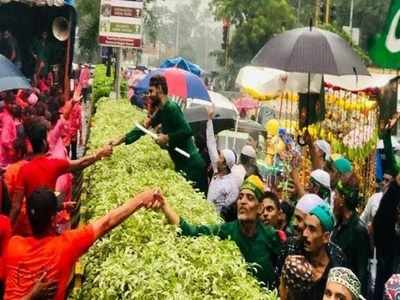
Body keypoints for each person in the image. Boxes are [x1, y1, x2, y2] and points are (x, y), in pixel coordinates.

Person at [3, 187, 161, 299]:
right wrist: (141, 199)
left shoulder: (12, 245)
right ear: (53, 219)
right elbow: (106, 222)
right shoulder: (65, 245)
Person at [151, 175, 281, 287]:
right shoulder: (227, 230)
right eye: (240, 197)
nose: (243, 202)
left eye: (250, 198)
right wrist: (165, 205)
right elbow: (190, 231)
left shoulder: (272, 237)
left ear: (259, 208)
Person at [9, 118, 113, 233]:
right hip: (48, 226)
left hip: (30, 226)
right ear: (44, 143)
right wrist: (99, 154)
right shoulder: (53, 164)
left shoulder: (24, 170)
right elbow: (80, 163)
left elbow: (16, 207)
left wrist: (6, 233)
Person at [110, 75, 207, 193]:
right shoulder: (161, 110)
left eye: (151, 91)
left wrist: (167, 138)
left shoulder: (172, 107)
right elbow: (141, 129)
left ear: (159, 88)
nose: (149, 94)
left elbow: (187, 131)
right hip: (181, 163)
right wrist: (119, 141)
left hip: (191, 164)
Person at [278, 203, 346, 299]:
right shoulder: (292, 247)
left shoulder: (337, 261)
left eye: (312, 229)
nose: (305, 234)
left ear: (325, 237)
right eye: (305, 227)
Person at [331, 177, 370, 297]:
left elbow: (361, 273)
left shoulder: (358, 231)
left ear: (342, 199)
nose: (333, 199)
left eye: (336, 195)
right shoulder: (339, 224)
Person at [205, 106, 240, 212]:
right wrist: (209, 120)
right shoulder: (217, 169)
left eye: (220, 158)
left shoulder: (231, 186)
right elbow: (211, 143)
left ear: (225, 164)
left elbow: (228, 209)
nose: (217, 159)